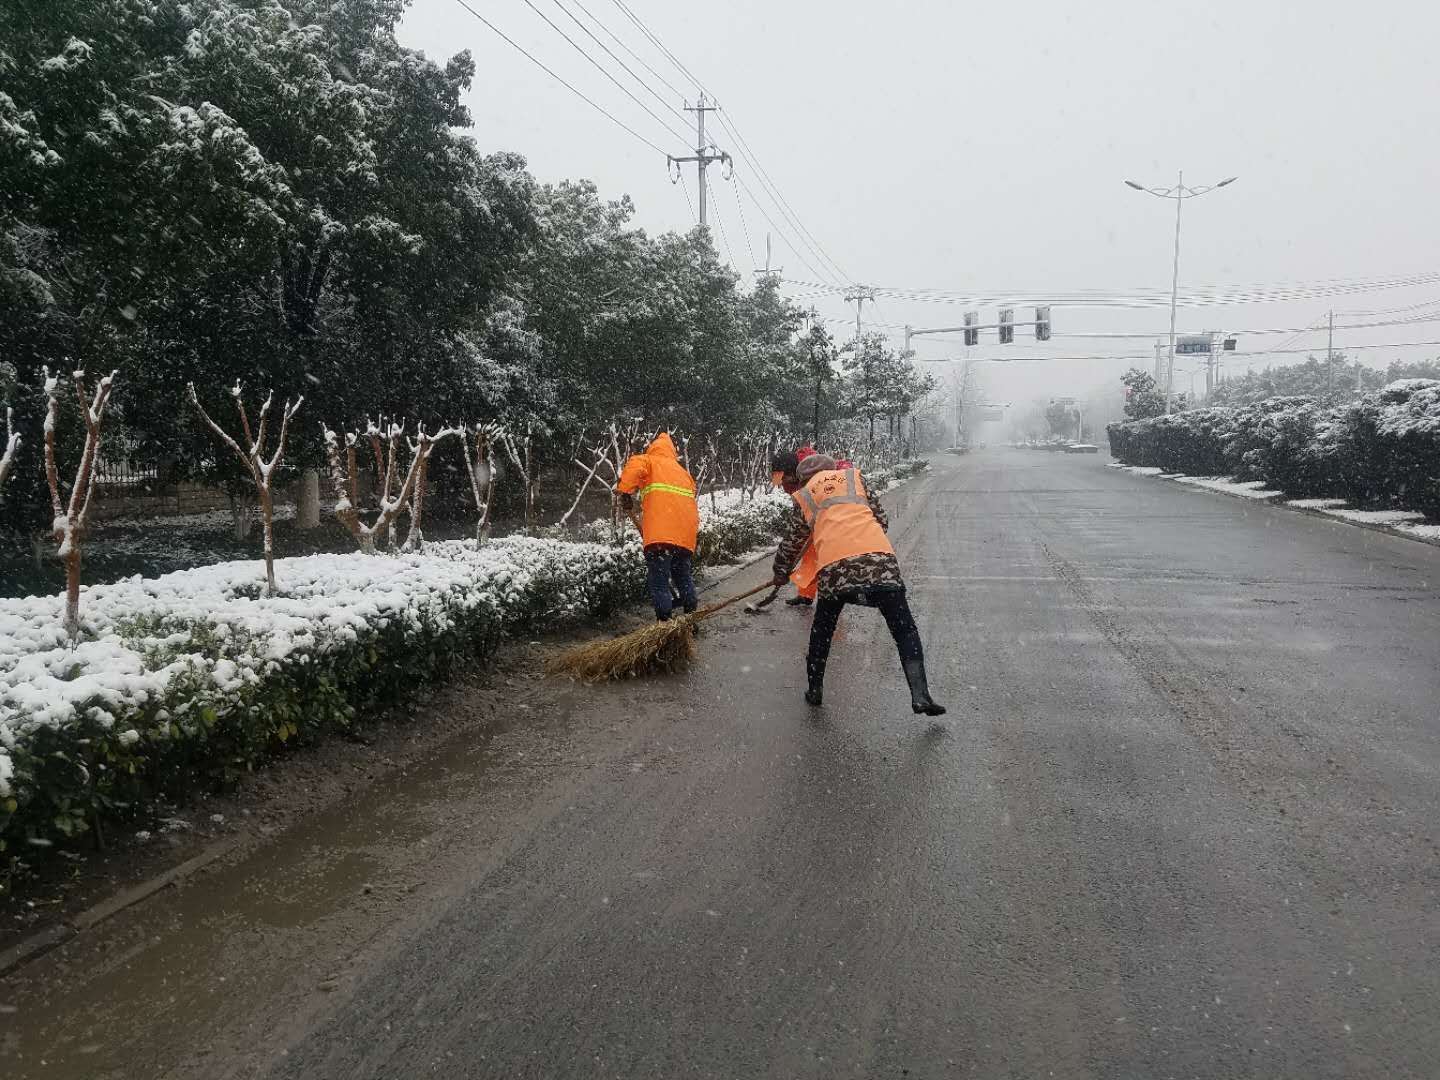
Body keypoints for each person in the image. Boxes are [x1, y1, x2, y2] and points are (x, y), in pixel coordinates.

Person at [771, 453, 945, 715]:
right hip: (880, 563)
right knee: (904, 630)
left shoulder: (805, 494)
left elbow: (792, 541)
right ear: (832, 469)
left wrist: (780, 572)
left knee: (822, 631)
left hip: (834, 569)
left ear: (802, 478)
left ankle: (815, 690)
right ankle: (920, 694)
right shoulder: (854, 478)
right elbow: (882, 520)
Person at [617, 430, 701, 621]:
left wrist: (625, 491)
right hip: (685, 537)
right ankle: (691, 618)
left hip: (660, 538)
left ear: (653, 449)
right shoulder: (683, 473)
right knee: (683, 576)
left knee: (659, 582)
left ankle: (664, 624)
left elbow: (634, 466)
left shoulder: (649, 461)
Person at [770, 447, 820, 607]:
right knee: (810, 555)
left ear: (792, 475)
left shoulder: (811, 481)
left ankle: (833, 602)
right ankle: (806, 594)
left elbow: (795, 535)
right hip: (821, 520)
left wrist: (780, 569)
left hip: (836, 526)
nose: (783, 488)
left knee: (826, 559)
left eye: (783, 481)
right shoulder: (801, 473)